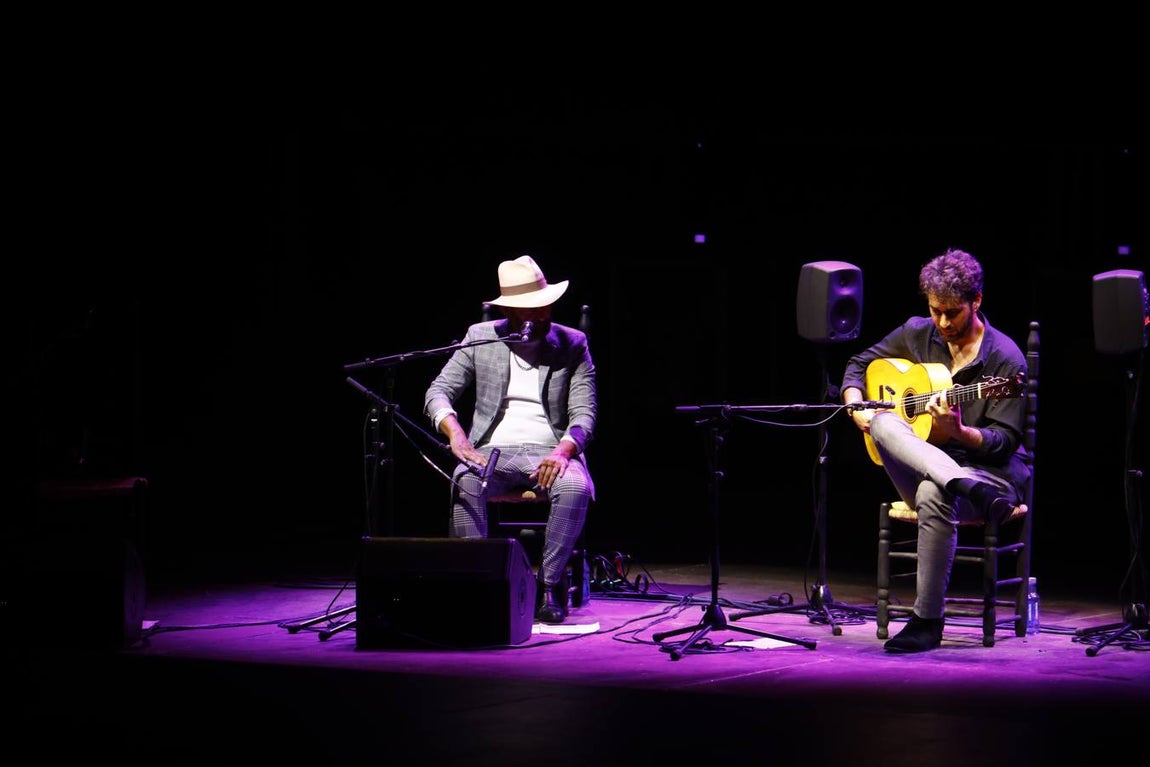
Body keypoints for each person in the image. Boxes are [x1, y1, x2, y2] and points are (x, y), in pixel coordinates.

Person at [841, 248, 1030, 653]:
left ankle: (927, 621)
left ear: (976, 301)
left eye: (953, 312)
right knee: (881, 420)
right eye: (935, 311)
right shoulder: (916, 332)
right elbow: (858, 364)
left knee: (932, 493)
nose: (942, 322)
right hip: (935, 468)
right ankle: (957, 482)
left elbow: (1004, 443)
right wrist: (856, 402)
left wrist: (960, 433)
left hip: (990, 478)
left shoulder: (1004, 358)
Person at [424, 255, 597, 624]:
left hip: (549, 450)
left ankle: (548, 585)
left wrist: (563, 451)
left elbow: (585, 413)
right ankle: (480, 585)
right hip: (491, 451)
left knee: (576, 487)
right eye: (528, 309)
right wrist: (456, 434)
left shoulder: (573, 343)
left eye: (544, 305)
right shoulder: (479, 338)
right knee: (464, 481)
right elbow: (438, 391)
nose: (539, 314)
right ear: (509, 310)